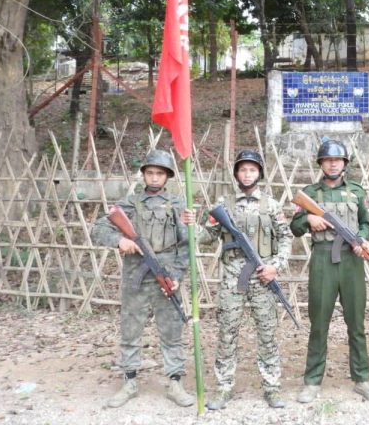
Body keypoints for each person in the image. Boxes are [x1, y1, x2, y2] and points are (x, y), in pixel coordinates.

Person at [91, 149, 196, 409]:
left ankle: (175, 383)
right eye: (150, 173)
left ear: (167, 176)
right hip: (136, 274)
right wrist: (120, 240)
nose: (155, 178)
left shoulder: (177, 204)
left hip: (166, 272)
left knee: (172, 328)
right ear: (144, 175)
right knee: (131, 329)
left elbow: (186, 244)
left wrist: (179, 275)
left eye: (160, 173)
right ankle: (129, 381)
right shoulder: (129, 203)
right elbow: (99, 229)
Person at [199, 150, 293, 410]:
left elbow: (286, 238)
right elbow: (206, 237)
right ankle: (223, 387)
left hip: (263, 276)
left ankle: (272, 388)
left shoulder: (271, 205)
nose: (247, 174)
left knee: (267, 333)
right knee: (227, 332)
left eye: (252, 169)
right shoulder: (224, 204)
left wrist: (275, 266)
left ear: (259, 173)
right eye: (243, 169)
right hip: (233, 277)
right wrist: (190, 225)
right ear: (237, 173)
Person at [291, 139, 369, 403]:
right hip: (322, 260)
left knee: (356, 323)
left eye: (338, 160)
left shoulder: (356, 191)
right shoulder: (309, 193)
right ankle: (312, 381)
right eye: (328, 160)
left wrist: (362, 240)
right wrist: (308, 218)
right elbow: (295, 227)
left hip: (351, 261)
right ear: (321, 163)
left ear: (344, 164)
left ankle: (362, 379)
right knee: (319, 323)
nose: (333, 164)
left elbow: (366, 223)